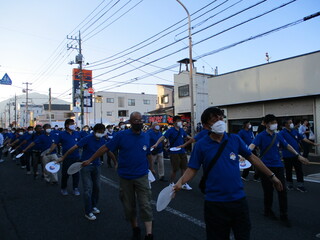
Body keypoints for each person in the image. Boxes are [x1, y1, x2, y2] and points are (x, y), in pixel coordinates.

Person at [173, 107, 283, 240]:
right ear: (206, 125)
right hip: (214, 203)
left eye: (221, 118)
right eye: (215, 120)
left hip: (238, 201)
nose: (220, 122)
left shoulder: (234, 139)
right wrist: (180, 182)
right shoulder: (201, 145)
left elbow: (253, 158)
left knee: (243, 235)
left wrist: (272, 177)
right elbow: (192, 169)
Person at [84, 112, 154, 240]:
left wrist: (152, 168)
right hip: (125, 177)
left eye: (140, 120)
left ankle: (149, 234)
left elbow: (148, 153)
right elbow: (105, 148)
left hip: (142, 176)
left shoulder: (146, 136)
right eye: (136, 120)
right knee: (129, 206)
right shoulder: (121, 135)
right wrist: (90, 159)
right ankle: (135, 228)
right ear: (130, 122)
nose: (139, 122)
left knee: (145, 204)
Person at [249, 114, 309, 227]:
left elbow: (287, 146)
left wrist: (298, 155)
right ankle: (268, 211)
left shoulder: (278, 136)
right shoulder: (261, 136)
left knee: (282, 190)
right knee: (268, 191)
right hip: (265, 167)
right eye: (272, 123)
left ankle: (284, 215)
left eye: (275, 122)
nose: (274, 125)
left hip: (278, 166)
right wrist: (244, 154)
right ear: (266, 124)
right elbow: (252, 145)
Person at [57, 124, 115, 220]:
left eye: (102, 131)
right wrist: (63, 157)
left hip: (97, 166)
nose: (101, 133)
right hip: (85, 166)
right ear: (95, 131)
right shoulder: (87, 138)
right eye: (100, 132)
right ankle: (88, 211)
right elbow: (74, 147)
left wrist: (115, 162)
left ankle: (93, 206)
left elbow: (108, 151)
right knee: (87, 189)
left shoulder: (102, 140)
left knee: (97, 187)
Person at [152, 116, 192, 190]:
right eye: (178, 121)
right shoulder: (170, 130)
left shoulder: (181, 130)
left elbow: (187, 136)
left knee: (184, 168)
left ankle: (184, 183)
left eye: (180, 120)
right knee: (175, 169)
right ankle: (171, 183)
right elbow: (163, 137)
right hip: (174, 152)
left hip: (182, 151)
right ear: (174, 122)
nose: (180, 122)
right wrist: (156, 144)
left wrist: (194, 139)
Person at [279, 118, 319, 192]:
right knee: (288, 170)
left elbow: (303, 138)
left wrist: (313, 143)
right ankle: (289, 184)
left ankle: (300, 185)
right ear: (285, 124)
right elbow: (285, 145)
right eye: (290, 122)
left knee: (299, 170)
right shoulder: (281, 133)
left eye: (292, 122)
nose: (292, 124)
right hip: (287, 155)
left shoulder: (294, 131)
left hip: (297, 155)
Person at [48, 119, 81, 196]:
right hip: (66, 157)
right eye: (71, 124)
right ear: (67, 125)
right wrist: (49, 151)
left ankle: (75, 188)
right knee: (65, 174)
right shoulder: (62, 134)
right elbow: (55, 143)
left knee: (76, 173)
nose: (73, 125)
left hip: (76, 157)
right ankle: (64, 188)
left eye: (74, 123)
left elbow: (82, 142)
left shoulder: (77, 133)